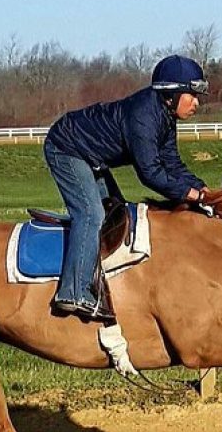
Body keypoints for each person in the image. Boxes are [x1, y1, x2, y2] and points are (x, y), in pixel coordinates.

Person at [44, 54, 210, 321]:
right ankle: (72, 292)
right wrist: (191, 195)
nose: (197, 103)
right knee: (91, 215)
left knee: (117, 215)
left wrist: (204, 189)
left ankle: (104, 278)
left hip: (90, 156)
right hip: (66, 148)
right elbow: (150, 173)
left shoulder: (165, 117)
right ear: (171, 95)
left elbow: (171, 162)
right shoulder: (144, 117)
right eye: (192, 95)